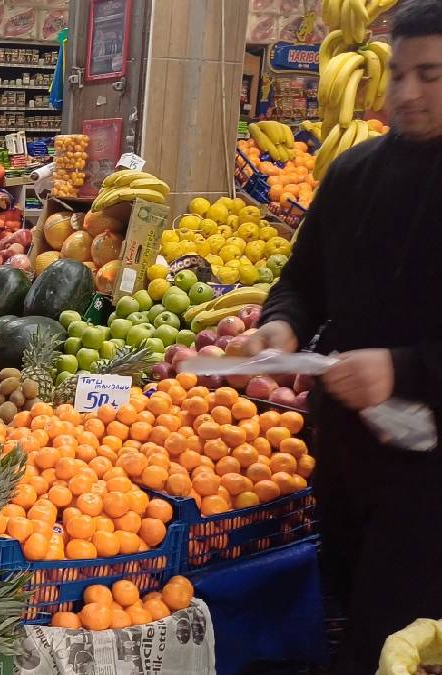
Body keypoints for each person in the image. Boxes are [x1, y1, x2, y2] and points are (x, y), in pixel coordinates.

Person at [241, 2, 442, 671]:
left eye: (432, 75)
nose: (409, 93)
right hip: (347, 457)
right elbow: (301, 278)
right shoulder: (353, 174)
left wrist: (404, 368)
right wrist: (280, 325)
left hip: (428, 477)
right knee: (351, 612)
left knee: (385, 645)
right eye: (401, 75)